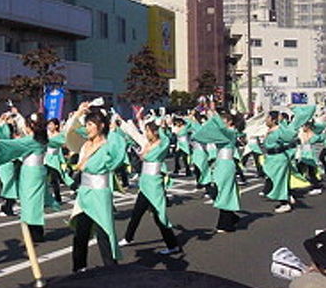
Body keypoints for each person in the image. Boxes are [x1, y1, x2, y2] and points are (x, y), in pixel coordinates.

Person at [65, 103, 125, 272]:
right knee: (80, 234)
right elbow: (69, 132)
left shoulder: (107, 145)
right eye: (87, 124)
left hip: (99, 194)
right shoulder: (85, 144)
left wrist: (114, 127)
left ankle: (112, 273)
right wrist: (78, 113)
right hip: (84, 193)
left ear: (101, 126)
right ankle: (79, 269)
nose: (87, 128)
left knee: (104, 235)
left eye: (91, 124)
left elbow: (118, 153)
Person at [119, 121, 181, 255]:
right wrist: (122, 122)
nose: (146, 134)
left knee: (159, 217)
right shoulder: (147, 144)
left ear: (155, 132)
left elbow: (165, 138)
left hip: (154, 185)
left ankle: (173, 246)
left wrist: (163, 124)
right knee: (136, 213)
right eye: (146, 131)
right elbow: (134, 134)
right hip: (145, 184)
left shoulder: (161, 145)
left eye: (148, 131)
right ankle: (128, 238)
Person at [0, 112, 49, 242]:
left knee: (30, 201)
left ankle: (34, 232)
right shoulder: (42, 138)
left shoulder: (32, 140)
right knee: (34, 201)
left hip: (30, 173)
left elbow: (13, 145)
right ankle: (36, 230)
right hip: (37, 171)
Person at [192, 112, 243, 232]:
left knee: (222, 191)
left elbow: (218, 127)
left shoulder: (230, 132)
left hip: (226, 165)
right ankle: (231, 217)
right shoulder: (226, 132)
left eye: (223, 119)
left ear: (229, 122)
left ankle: (225, 224)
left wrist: (213, 113)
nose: (221, 121)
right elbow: (207, 132)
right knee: (220, 191)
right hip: (221, 164)